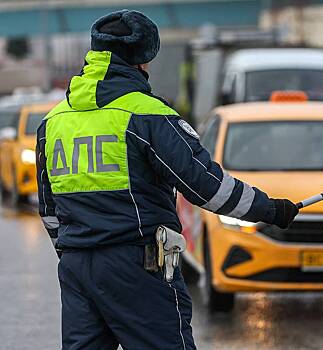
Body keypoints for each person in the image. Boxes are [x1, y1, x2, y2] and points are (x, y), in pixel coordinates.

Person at [36, 10, 298, 350]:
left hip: (76, 266)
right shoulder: (147, 115)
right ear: (141, 60)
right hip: (136, 265)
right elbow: (207, 187)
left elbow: (48, 208)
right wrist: (270, 210)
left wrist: (77, 249)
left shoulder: (54, 121)